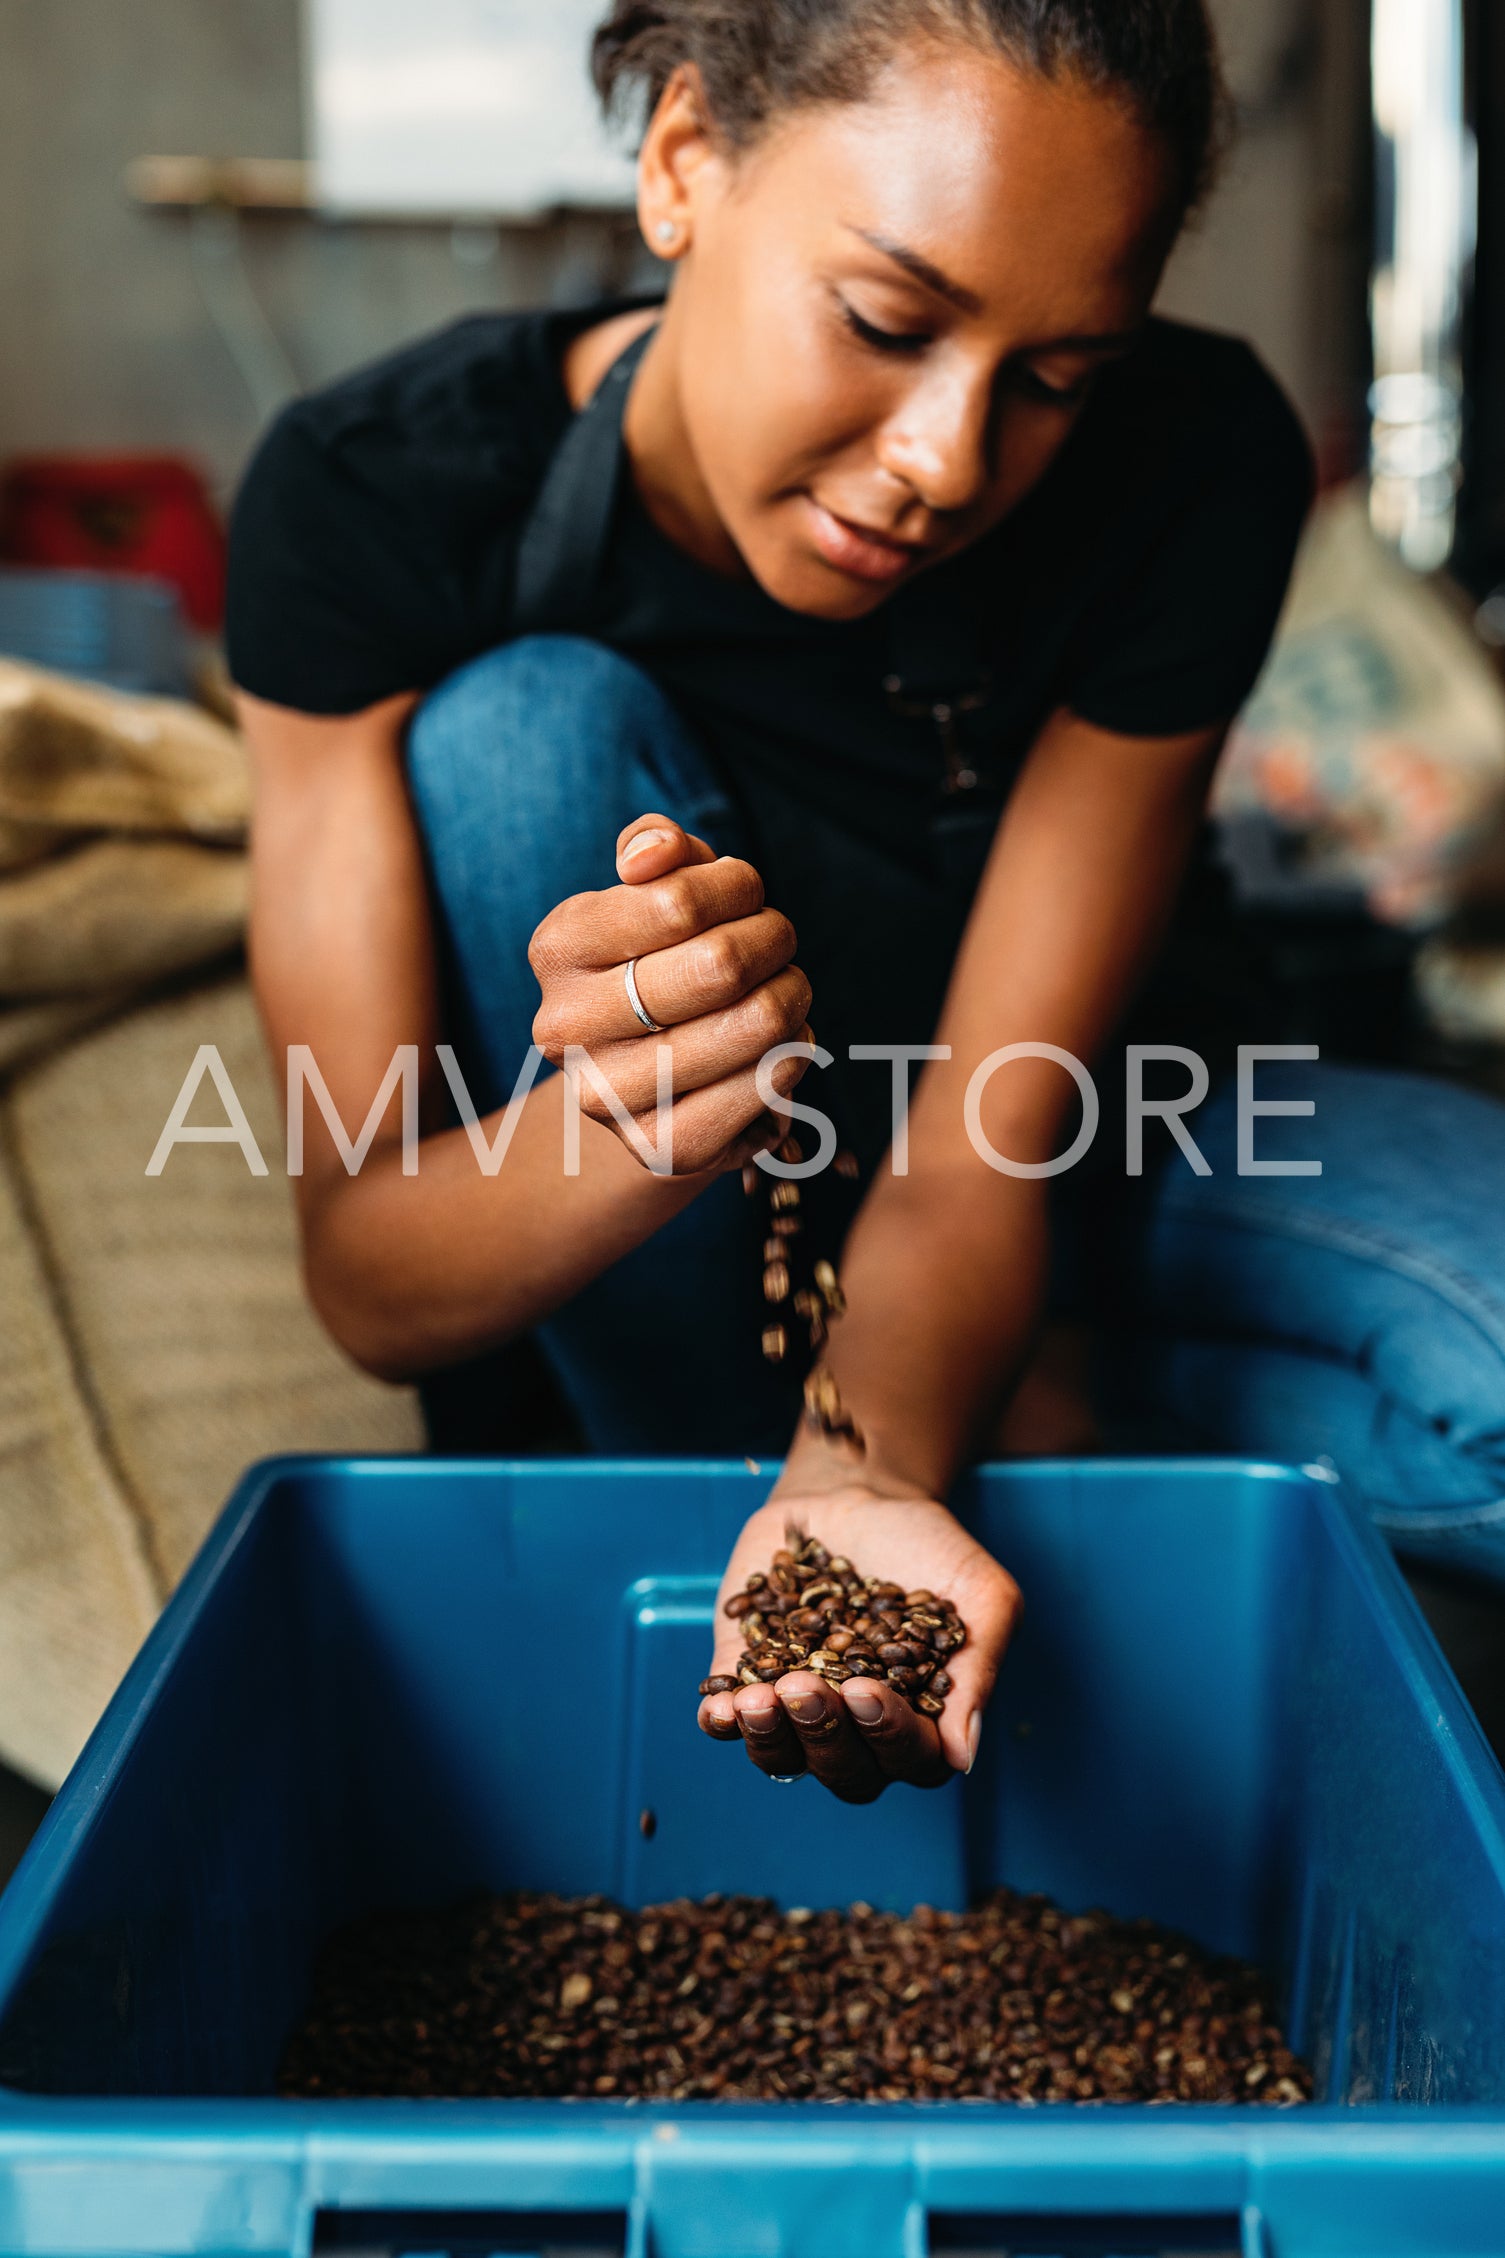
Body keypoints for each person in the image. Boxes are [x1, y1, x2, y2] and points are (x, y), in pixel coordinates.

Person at [227, 0, 1505, 1808]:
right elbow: (368, 1270)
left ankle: (1012, 1413)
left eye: (1053, 376)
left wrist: (872, 1453)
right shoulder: (376, 497)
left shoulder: (1192, 457)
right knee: (522, 729)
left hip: (1085, 1139)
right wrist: (633, 1124)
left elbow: (981, 1149)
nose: (946, 460)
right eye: (885, 322)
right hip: (671, 1273)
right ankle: (1006, 1426)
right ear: (683, 164)